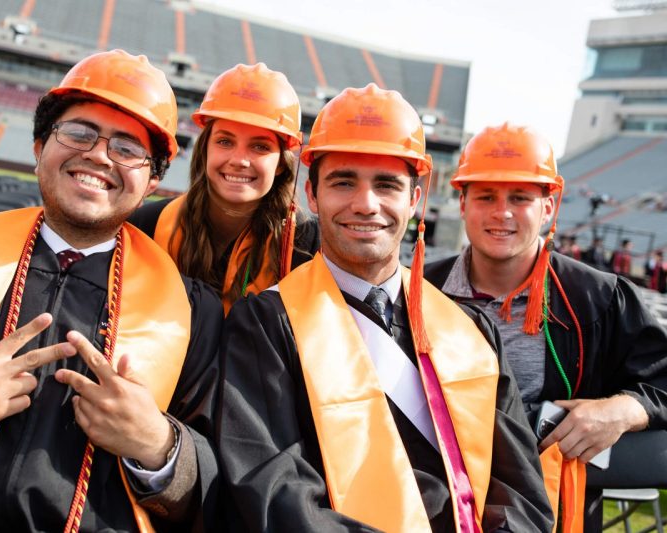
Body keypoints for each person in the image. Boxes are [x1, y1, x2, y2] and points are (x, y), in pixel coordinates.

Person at [0, 50, 223, 532]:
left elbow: (219, 490)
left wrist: (158, 446)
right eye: (79, 132)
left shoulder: (189, 312)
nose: (98, 154)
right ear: (39, 145)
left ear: (153, 180)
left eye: (126, 147)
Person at [217, 85, 552, 532]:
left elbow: (520, 492)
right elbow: (274, 490)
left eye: (387, 185)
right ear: (311, 197)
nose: (366, 204)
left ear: (414, 201)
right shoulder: (266, 324)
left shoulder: (470, 332)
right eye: (343, 182)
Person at [424, 123, 667, 532]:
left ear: (549, 206)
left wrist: (622, 409)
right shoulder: (419, 290)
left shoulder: (598, 299)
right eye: (486, 196)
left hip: (554, 515)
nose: (502, 212)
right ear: (462, 202)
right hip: (434, 512)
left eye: (520, 198)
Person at [130, 63, 319, 313]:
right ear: (205, 149)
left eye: (260, 147)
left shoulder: (308, 245)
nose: (239, 160)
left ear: (281, 164)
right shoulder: (145, 227)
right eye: (225, 141)